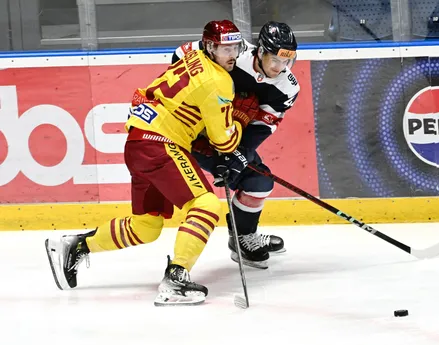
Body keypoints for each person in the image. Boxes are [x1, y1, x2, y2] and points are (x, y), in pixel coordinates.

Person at [44, 20, 257, 306]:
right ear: (210, 47)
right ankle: (176, 278)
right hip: (161, 145)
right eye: (224, 48)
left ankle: (76, 245)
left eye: (235, 47)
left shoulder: (192, 57)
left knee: (146, 227)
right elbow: (225, 142)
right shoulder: (218, 80)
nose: (231, 54)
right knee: (206, 204)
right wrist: (240, 123)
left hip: (138, 144)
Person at [172, 21, 300, 269]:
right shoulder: (234, 53)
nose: (279, 68)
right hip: (191, 136)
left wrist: (239, 155)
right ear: (260, 51)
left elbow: (263, 124)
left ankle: (242, 237)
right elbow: (181, 53)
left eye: (287, 62)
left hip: (231, 137)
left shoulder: (287, 88)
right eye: (275, 60)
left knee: (259, 182)